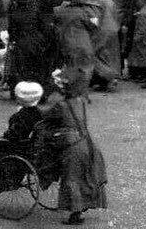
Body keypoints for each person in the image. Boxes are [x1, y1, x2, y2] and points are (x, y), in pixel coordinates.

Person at [39, 69, 107, 225]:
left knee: (72, 178)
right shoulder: (80, 101)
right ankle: (81, 208)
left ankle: (75, 216)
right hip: (87, 142)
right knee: (86, 176)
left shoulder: (60, 104)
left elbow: (44, 114)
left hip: (73, 146)